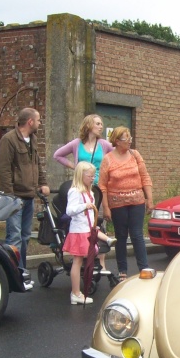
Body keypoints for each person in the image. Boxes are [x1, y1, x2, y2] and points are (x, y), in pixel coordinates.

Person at [0, 108, 50, 289]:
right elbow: (3, 169)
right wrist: (9, 196)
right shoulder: (9, 140)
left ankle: (23, 271)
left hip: (29, 195)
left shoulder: (32, 140)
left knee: (25, 236)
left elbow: (37, 164)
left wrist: (42, 183)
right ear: (30, 122)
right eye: (39, 120)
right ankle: (13, 275)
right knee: (14, 236)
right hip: (15, 197)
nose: (40, 123)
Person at [53, 114, 114, 274]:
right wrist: (75, 167)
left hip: (97, 188)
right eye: (98, 123)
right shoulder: (76, 144)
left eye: (102, 123)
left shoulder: (104, 144)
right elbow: (57, 155)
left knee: (98, 223)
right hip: (81, 187)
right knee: (82, 221)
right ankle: (82, 256)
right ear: (89, 125)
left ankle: (101, 264)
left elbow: (116, 156)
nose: (101, 126)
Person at [98, 127, 153, 279]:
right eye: (125, 139)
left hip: (137, 201)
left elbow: (145, 177)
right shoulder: (108, 159)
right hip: (117, 203)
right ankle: (122, 271)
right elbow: (102, 185)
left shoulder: (135, 155)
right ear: (116, 141)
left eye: (130, 139)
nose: (129, 141)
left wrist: (150, 199)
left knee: (137, 235)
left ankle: (144, 268)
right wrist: (106, 207)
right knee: (121, 236)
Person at [63, 162, 115, 305]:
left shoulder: (90, 192)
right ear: (81, 175)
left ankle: (78, 291)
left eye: (94, 176)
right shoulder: (75, 191)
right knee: (78, 261)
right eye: (90, 176)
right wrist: (83, 206)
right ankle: (75, 293)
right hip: (78, 230)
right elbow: (69, 210)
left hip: (86, 228)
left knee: (83, 260)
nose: (93, 178)